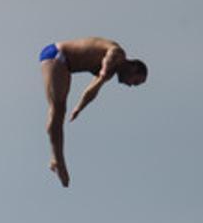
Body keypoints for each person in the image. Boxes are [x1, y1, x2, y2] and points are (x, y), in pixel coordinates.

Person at [38, 37, 147, 187]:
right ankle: (58, 160)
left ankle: (55, 158)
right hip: (57, 54)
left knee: (60, 110)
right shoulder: (118, 54)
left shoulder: (110, 73)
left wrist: (79, 107)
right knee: (57, 109)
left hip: (66, 65)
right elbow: (110, 55)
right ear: (134, 67)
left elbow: (92, 90)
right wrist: (104, 70)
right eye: (134, 81)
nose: (130, 85)